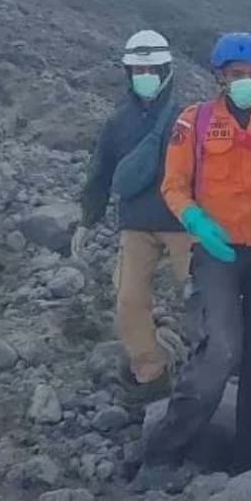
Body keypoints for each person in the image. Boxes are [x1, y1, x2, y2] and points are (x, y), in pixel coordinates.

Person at [144, 32, 251, 471]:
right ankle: (166, 449)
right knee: (221, 350)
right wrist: (196, 222)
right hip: (217, 255)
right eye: (238, 75)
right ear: (220, 77)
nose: (248, 81)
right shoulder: (192, 123)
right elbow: (173, 185)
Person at [74, 30, 191, 405]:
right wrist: (86, 220)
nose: (145, 75)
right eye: (138, 69)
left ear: (166, 70)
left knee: (205, 298)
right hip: (136, 226)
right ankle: (150, 371)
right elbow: (101, 172)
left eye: (151, 69)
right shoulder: (117, 123)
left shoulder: (189, 118)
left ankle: (214, 366)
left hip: (184, 224)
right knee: (128, 300)